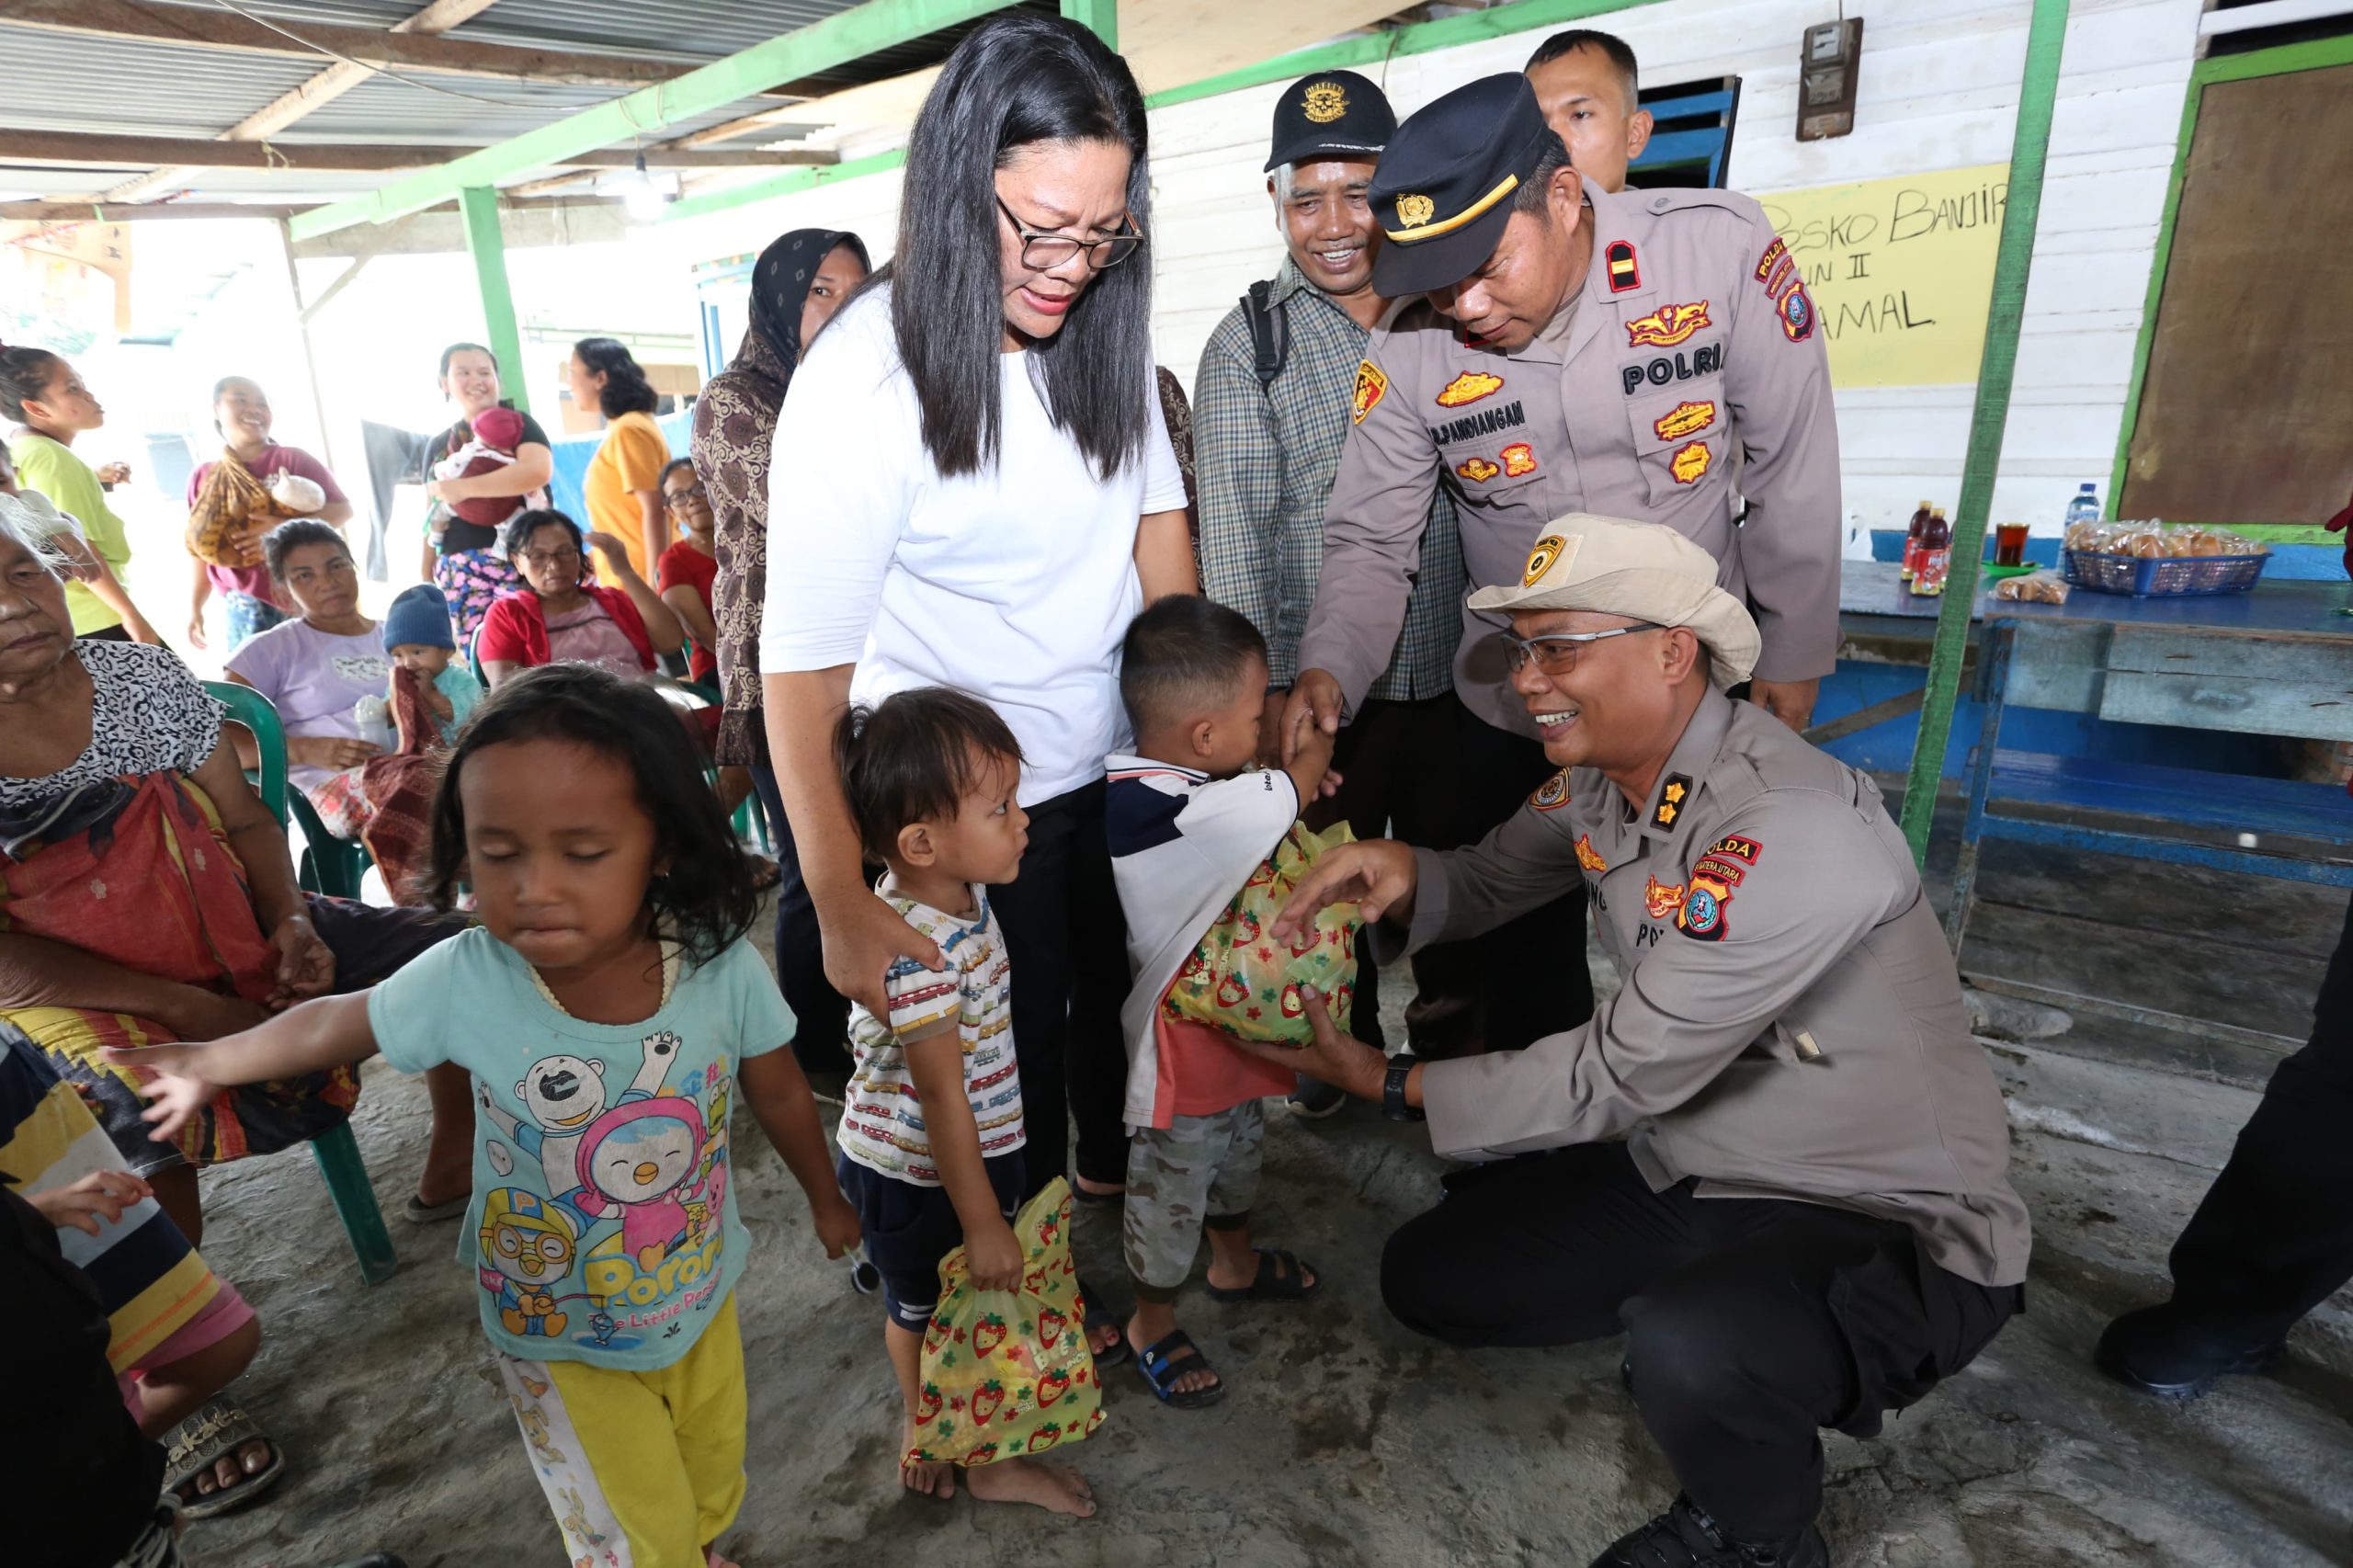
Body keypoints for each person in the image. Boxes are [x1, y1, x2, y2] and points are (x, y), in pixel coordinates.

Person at [1241, 515, 2027, 1568]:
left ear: (1670, 650)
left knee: (1692, 1342)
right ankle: (1722, 1333)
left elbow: (1622, 1068)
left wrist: (1389, 1081)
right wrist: (1397, 866)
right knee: (1434, 1276)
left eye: (1557, 646)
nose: (1527, 680)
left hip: (1884, 1208)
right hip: (1702, 1158)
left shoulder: (1785, 824)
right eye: (1523, 650)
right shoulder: (1596, 781)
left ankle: (1759, 1529)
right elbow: (1486, 877)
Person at [110, 664, 863, 1568]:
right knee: (627, 1527)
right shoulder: (471, 975)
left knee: (709, 1471)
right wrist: (206, 1061)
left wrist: (826, 1194)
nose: (535, 886)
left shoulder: (713, 962)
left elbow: (775, 1084)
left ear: (662, 846)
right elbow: (335, 1018)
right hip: (557, 1322)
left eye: (581, 851)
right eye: (500, 852)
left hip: (695, 1286)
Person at [1284, 73, 1840, 1055]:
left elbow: (1793, 467)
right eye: (1439, 277)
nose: (1466, 301)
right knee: (1513, 961)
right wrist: (1331, 669)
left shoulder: (1716, 253)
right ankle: (1520, 1156)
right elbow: (1372, 535)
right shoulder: (1411, 342)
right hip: (1523, 703)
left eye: (1489, 263)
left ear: (1565, 198)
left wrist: (1791, 664)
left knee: (1716, 940)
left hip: (1694, 695)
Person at [761, 9, 1190, 1267]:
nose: (1075, 264)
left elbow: (1159, 547)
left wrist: (1190, 754)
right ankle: (1011, 1314)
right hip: (973, 811)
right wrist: (839, 897)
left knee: (1123, 1023)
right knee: (1005, 1089)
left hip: (1109, 762)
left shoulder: (1101, 334)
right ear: (957, 190)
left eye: (1106, 232)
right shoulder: (864, 385)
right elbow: (803, 674)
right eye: (1044, 229)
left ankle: (1105, 1245)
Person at [0, 498, 467, 1244]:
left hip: (232, 916)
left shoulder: (141, 678)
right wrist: (184, 1007)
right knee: (127, 1103)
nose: (13, 602)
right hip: (73, 985)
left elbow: (246, 817)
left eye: (26, 571)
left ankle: (459, 1149)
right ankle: (171, 1327)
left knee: (461, 952)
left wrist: (289, 918)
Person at [1194, 70, 1474, 1101]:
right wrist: (1264, 707)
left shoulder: (1455, 307)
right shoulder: (1247, 349)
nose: (1333, 224)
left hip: (1458, 674)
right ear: (1274, 201)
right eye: (1305, 198)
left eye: (1358, 191)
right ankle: (1334, 1056)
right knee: (1324, 891)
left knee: (1452, 891)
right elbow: (1233, 543)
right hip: (1325, 699)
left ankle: (1452, 1080)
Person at [830, 686, 1097, 1517]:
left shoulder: (960, 894)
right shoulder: (916, 953)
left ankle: (963, 1431)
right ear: (921, 841)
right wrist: (981, 1219)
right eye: (1002, 807)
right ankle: (943, 1435)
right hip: (922, 1172)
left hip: (976, 1145)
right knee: (921, 1310)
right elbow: (941, 1096)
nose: (1023, 820)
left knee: (968, 1303)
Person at [1105, 597, 1333, 1407]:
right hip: (1182, 1048)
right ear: (1205, 737)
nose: (1269, 718)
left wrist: (1276, 783)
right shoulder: (1191, 812)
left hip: (1230, 1028)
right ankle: (1151, 1319)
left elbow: (1273, 795)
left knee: (1239, 1151)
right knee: (1170, 1186)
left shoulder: (1146, 788)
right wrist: (1314, 739)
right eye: (1258, 706)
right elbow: (1296, 783)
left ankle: (1232, 1263)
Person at [692, 227, 870, 1083]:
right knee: (815, 867)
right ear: (777, 298)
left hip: (867, 658)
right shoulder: (734, 401)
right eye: (820, 291)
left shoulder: (867, 385)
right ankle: (817, 1052)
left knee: (876, 855)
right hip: (779, 665)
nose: (839, 310)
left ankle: (883, 1028)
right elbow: (804, 509)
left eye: (853, 291)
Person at [3, 1040, 279, 1518]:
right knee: (75, 1401)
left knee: (219, 1340)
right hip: (22, 1234)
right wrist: (27, 1214)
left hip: (38, 1164)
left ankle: (109, 1467)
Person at [223, 521, 391, 842]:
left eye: (337, 566)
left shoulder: (395, 636)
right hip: (331, 788)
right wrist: (300, 750)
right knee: (425, 795)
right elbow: (219, 740)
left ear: (354, 568)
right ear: (285, 589)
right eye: (304, 575)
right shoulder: (269, 651)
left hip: (412, 767)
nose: (327, 582)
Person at [0, 346, 162, 644]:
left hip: (75, 615)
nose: (88, 395)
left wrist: (98, 480)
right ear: (36, 408)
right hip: (96, 615)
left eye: (83, 384)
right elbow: (77, 546)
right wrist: (131, 616)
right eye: (72, 388)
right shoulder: (51, 457)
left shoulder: (24, 451)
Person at [182, 376, 355, 652]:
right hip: (241, 604)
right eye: (240, 400)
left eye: (262, 404)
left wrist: (283, 528)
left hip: (300, 596)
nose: (254, 410)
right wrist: (195, 607)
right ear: (216, 409)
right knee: (254, 688)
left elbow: (343, 510)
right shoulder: (204, 477)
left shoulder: (291, 460)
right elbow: (200, 549)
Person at [420, 343, 555, 645]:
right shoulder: (440, 444)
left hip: (524, 558)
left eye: (484, 372)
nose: (476, 380)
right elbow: (431, 512)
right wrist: (425, 575)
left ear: (496, 379)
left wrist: (462, 488)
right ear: (445, 383)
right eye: (463, 373)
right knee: (481, 655)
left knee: (538, 647)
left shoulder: (521, 425)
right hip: (458, 566)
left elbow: (535, 471)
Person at [477, 508, 684, 687]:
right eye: (538, 556)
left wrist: (624, 571)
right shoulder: (508, 614)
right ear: (517, 562)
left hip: (640, 708)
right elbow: (506, 691)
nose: (554, 566)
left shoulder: (611, 601)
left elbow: (671, 642)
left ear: (579, 554)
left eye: (564, 552)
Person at [570, 337, 671, 585]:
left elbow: (654, 509)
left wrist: (656, 585)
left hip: (640, 585)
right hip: (628, 583)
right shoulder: (624, 428)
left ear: (600, 378)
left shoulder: (629, 430)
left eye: (573, 372)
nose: (569, 383)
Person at [1526, 28, 1653, 194]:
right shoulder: (1491, 218)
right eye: (1537, 123)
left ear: (1636, 134)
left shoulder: (1688, 218)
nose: (1551, 146)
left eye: (1580, 115)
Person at [381, 582, 482, 747]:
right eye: (398, 655)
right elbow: (387, 721)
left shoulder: (461, 681)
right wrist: (391, 700)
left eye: (417, 652)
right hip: (418, 758)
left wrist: (430, 695)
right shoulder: (401, 682)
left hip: (458, 757)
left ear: (446, 651)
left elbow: (468, 717)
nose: (408, 663)